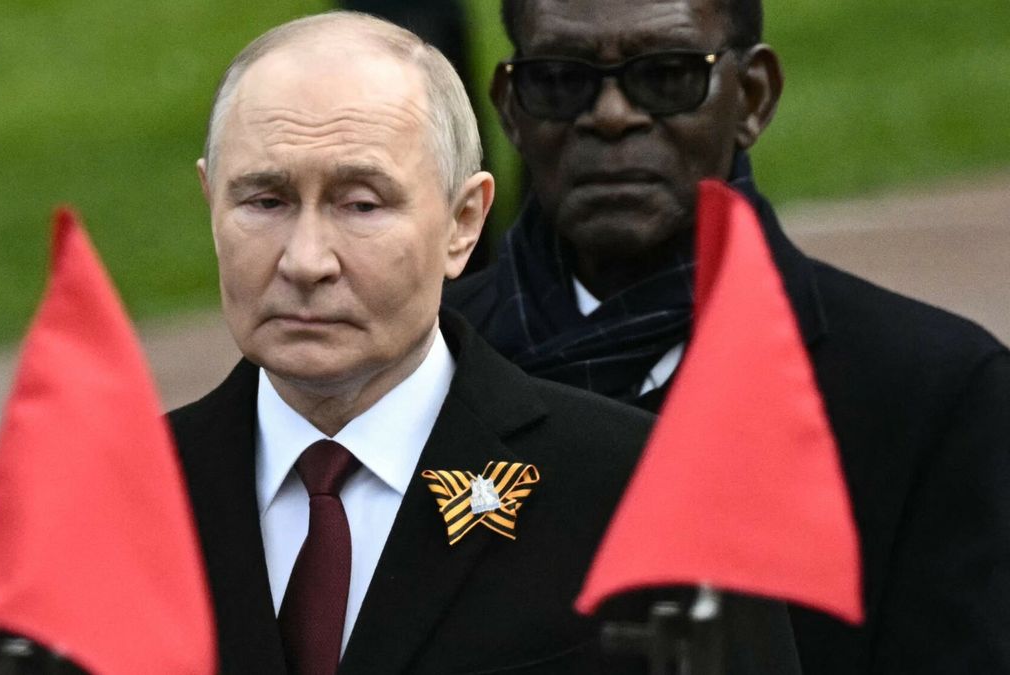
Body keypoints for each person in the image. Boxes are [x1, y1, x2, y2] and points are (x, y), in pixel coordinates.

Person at [169, 12, 800, 674]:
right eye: (265, 201)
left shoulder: (653, 495)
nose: (305, 260)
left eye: (361, 205)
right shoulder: (106, 502)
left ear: (463, 224)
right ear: (212, 203)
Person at [443, 1, 1010, 674]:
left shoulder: (933, 395)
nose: (612, 114)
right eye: (562, 78)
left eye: (669, 74)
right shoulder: (416, 367)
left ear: (753, 96)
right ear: (511, 106)